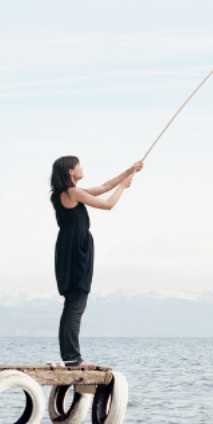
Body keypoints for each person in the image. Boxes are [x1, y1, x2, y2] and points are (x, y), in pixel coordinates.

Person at [49, 156, 143, 367]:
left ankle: (70, 357)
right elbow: (108, 204)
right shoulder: (73, 192)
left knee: (72, 302)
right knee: (77, 301)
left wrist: (130, 170)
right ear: (70, 171)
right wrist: (122, 188)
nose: (82, 168)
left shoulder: (64, 193)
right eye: (79, 165)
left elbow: (103, 187)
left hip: (68, 247)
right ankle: (73, 358)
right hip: (76, 249)